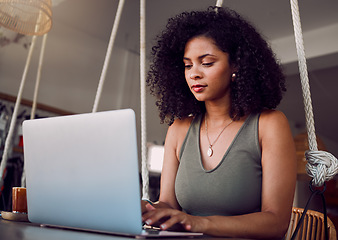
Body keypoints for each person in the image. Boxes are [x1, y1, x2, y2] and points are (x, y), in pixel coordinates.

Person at [142, 6, 297, 239]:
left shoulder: (269, 124)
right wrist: (148, 210)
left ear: (236, 65)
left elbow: (276, 222)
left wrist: (199, 223)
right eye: (187, 65)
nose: (194, 73)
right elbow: (169, 205)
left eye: (206, 63)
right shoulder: (179, 128)